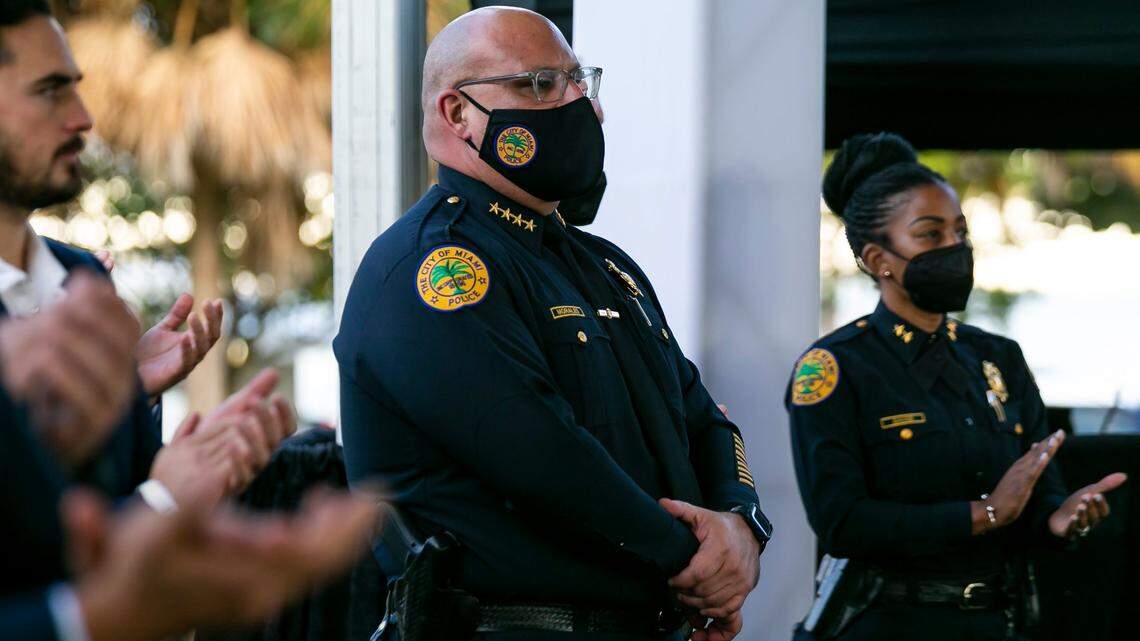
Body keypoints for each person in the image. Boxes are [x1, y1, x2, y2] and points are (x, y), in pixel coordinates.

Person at [336, 7, 770, 641]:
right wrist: (695, 563)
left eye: (579, 81)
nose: (580, 105)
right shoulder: (436, 266)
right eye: (538, 85)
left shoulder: (604, 267)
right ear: (458, 114)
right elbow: (540, 456)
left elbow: (704, 417)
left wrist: (741, 525)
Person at [786, 132, 1127, 641]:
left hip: (996, 620)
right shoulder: (835, 368)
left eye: (960, 232)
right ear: (879, 259)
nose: (955, 248)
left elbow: (1035, 493)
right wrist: (983, 514)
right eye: (930, 234)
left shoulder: (998, 358)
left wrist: (1059, 518)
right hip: (887, 624)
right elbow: (842, 521)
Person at [0, 0, 293, 509]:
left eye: (75, 85)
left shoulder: (83, 278)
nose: (82, 117)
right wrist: (164, 499)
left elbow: (115, 501)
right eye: (50, 90)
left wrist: (131, 396)